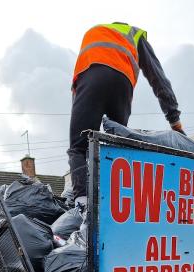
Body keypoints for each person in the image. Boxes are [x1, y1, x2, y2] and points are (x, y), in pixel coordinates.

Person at [68, 22, 185, 202]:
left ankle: (82, 204)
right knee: (116, 145)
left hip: (90, 79)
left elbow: (78, 89)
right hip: (122, 84)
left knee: (79, 147)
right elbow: (158, 78)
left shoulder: (93, 33)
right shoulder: (135, 35)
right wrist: (175, 121)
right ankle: (117, 200)